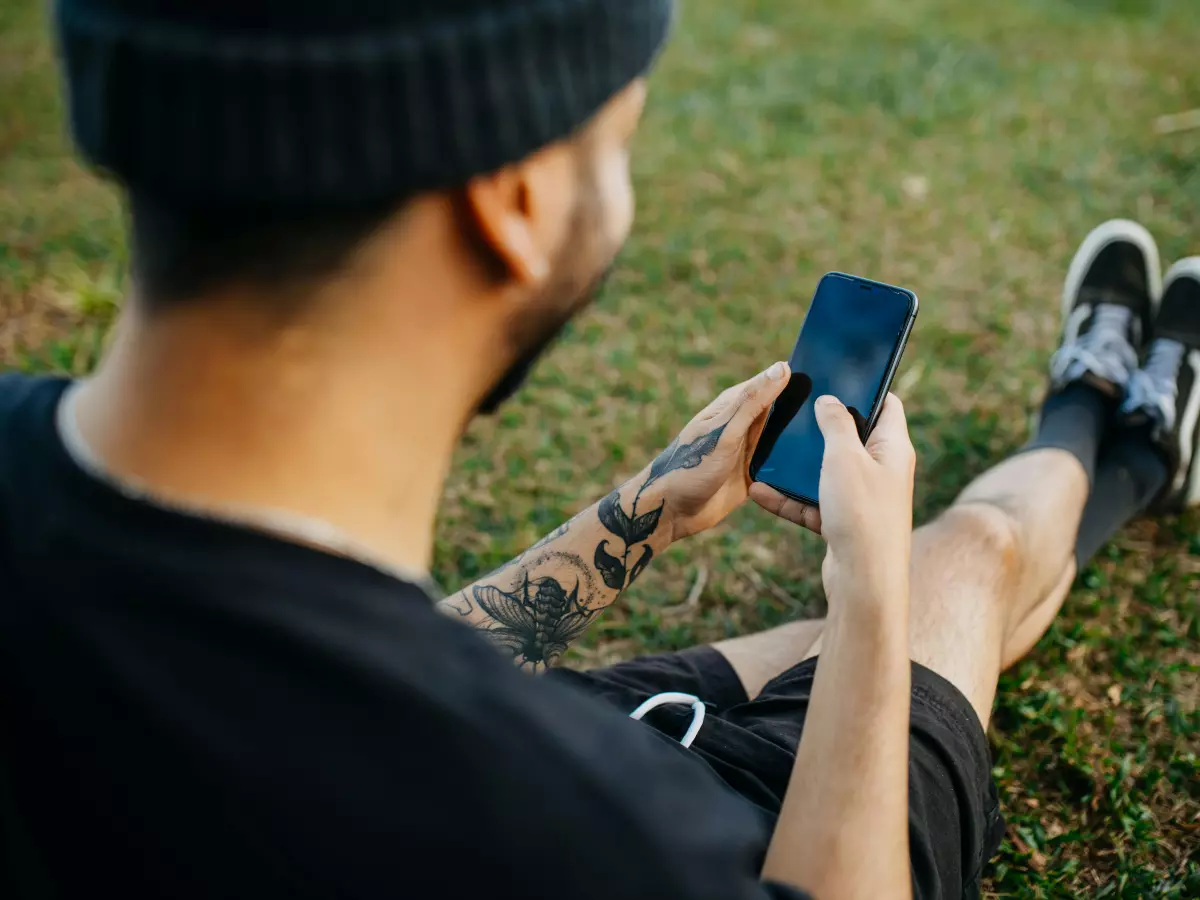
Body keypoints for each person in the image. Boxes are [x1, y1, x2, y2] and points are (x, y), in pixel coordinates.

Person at [1, 0, 1196, 893]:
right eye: (617, 142)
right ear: (512, 200)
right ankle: (1108, 432)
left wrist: (643, 518)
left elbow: (331, 669)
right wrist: (873, 595)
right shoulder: (579, 837)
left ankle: (1125, 430)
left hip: (608, 730)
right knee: (963, 560)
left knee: (950, 586)